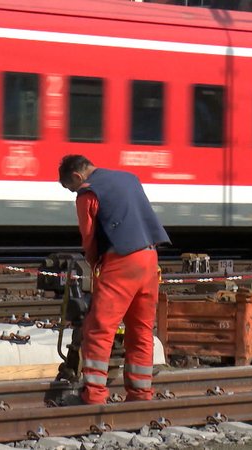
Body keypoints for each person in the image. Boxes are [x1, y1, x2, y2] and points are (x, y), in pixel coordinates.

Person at [58, 154, 170, 405]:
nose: (74, 192)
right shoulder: (129, 179)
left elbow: (88, 237)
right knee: (140, 330)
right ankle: (140, 394)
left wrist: (95, 262)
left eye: (71, 187)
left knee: (99, 329)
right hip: (150, 258)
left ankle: (94, 395)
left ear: (77, 176)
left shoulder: (87, 192)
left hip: (122, 262)